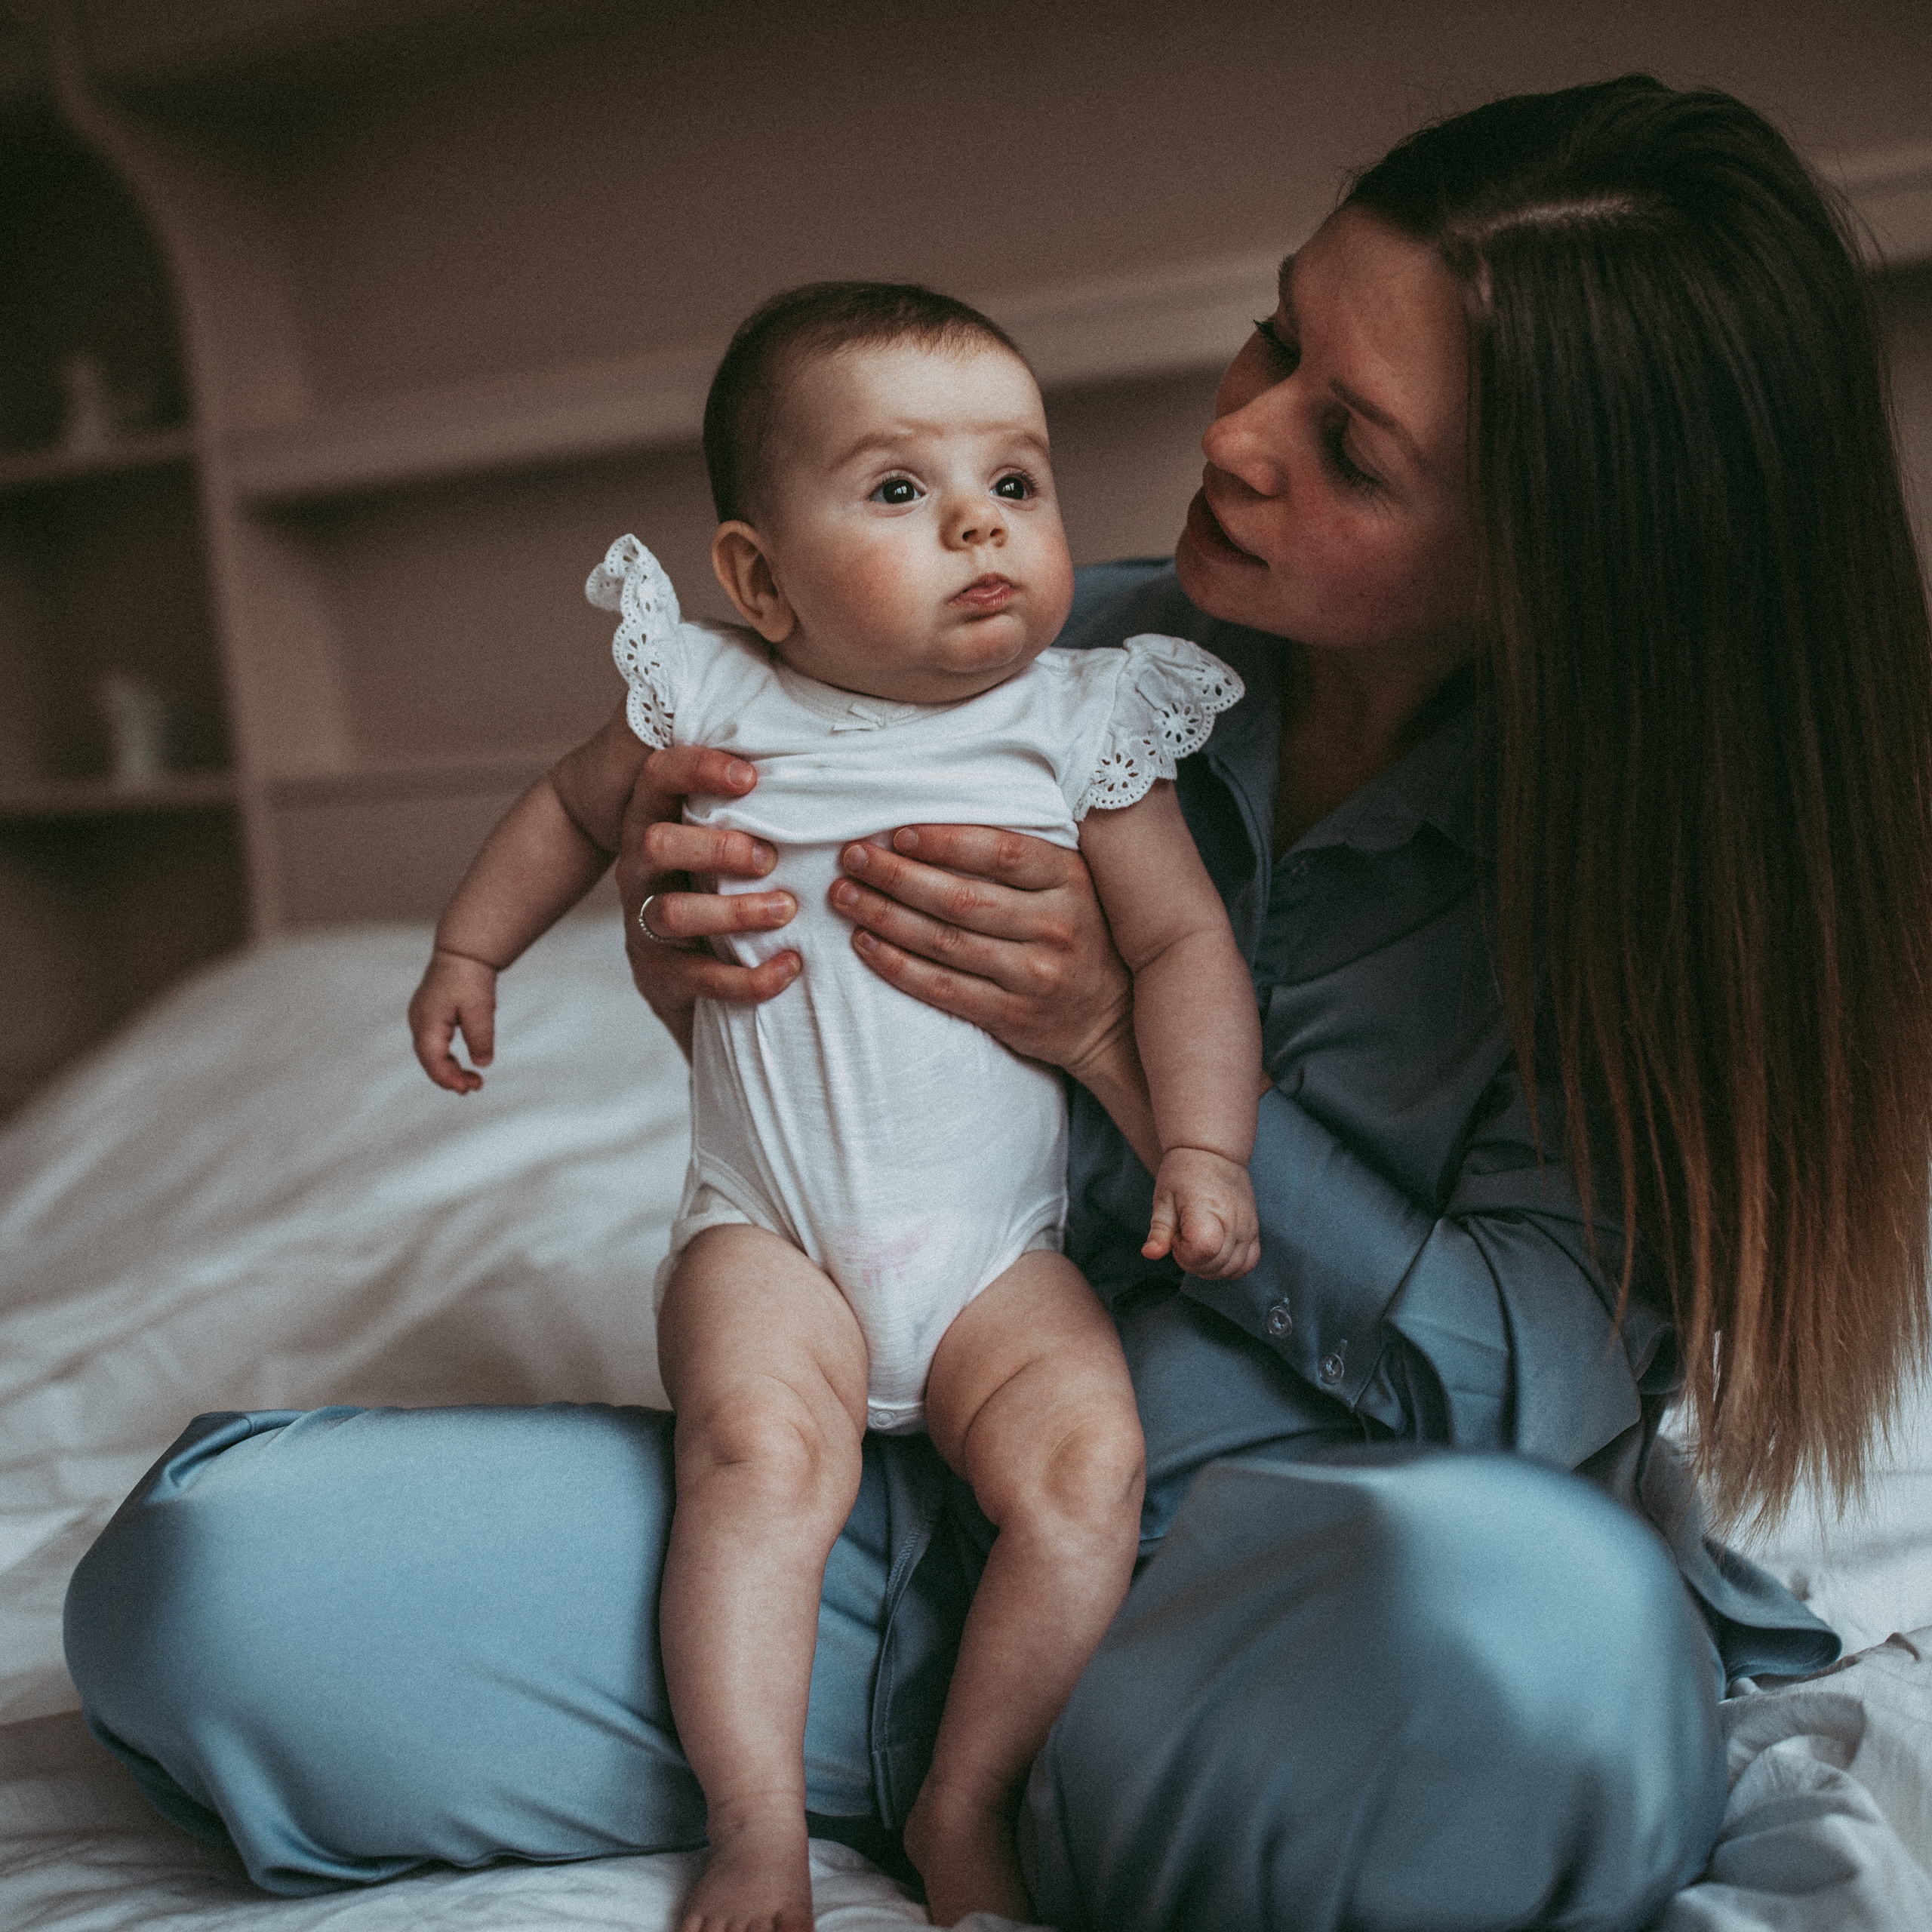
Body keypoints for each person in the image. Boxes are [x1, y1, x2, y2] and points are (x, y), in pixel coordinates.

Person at [63, 74, 1932, 1932]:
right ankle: (881, 1775)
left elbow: (1517, 1394)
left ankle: (1072, 1770)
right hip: (855, 1530)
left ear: (1559, 567)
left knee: (1541, 1639)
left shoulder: (1642, 887)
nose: (1240, 432)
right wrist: (694, 969)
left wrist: (1119, 1047)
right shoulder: (989, 674)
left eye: (1350, 448)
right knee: (208, 1582)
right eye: (1275, 332)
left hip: (1246, 1589)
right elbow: (805, 1030)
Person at [404, 281, 1258, 1930]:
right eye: (897, 491)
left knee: (1087, 1470)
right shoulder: (712, 697)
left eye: (1014, 483)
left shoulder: (1075, 723)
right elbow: (569, 810)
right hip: (771, 1231)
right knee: (751, 1459)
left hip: (992, 1257)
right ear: (756, 576)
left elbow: (1178, 943)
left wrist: (1201, 1140)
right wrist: (469, 947)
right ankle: (753, 1822)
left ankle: (964, 1797)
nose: (978, 528)